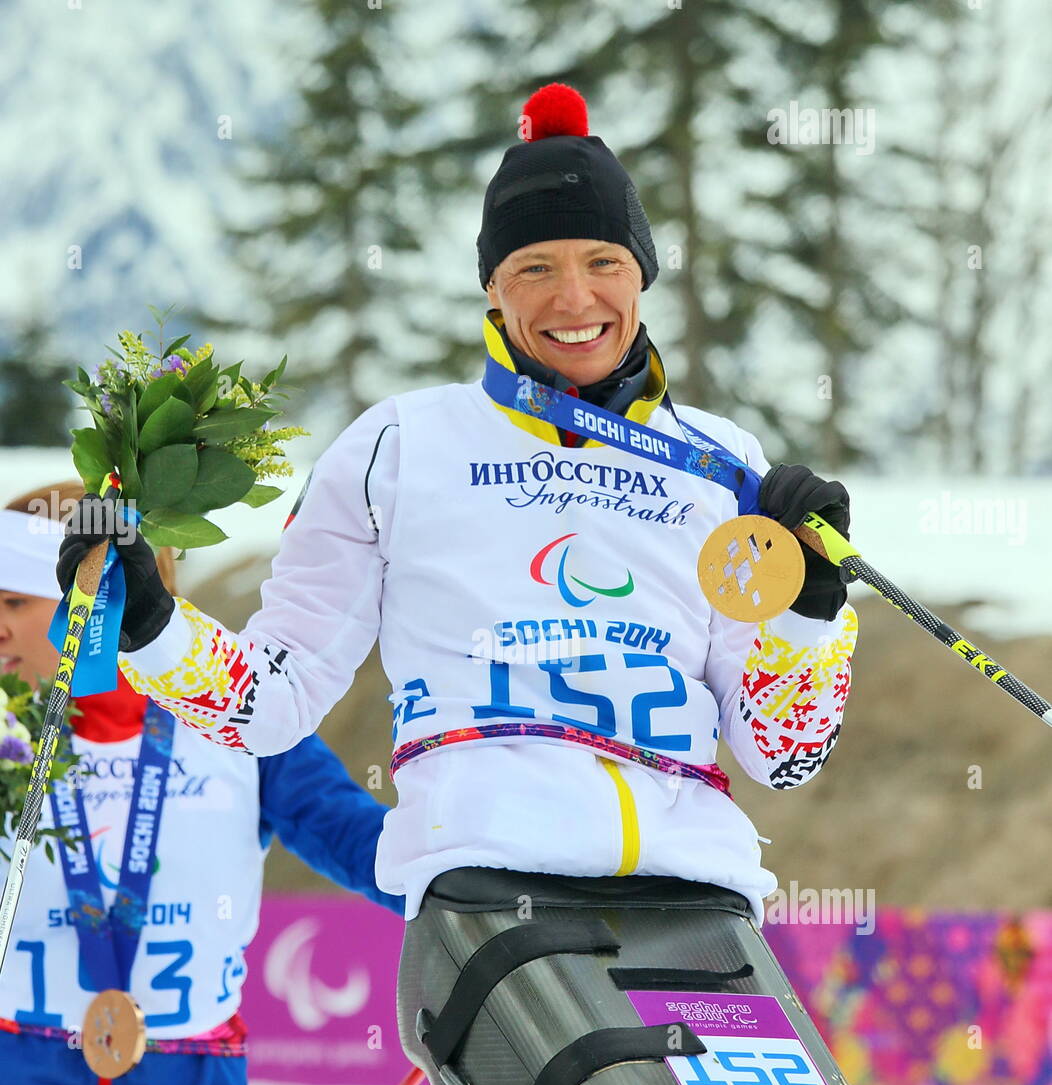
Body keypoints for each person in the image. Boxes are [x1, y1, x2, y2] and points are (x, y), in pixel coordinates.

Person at [59, 81, 856, 970]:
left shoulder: (723, 460)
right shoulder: (399, 446)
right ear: (492, 288)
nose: (573, 297)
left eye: (603, 261)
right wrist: (155, 631)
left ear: (641, 274)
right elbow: (273, 702)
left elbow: (780, 755)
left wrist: (809, 614)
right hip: (490, 892)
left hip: (699, 894)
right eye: (534, 268)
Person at [0, 480, 403, 1085]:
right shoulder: (11, 739)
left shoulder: (237, 732)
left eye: (14, 600)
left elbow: (372, 848)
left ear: (98, 599)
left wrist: (487, 865)